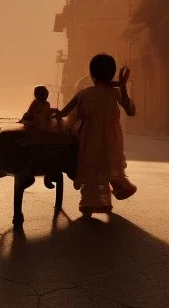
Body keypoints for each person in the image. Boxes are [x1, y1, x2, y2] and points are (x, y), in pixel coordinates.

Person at [55, 53, 137, 217]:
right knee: (109, 168)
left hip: (88, 141)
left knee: (91, 170)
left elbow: (63, 113)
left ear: (91, 74)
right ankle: (110, 196)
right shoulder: (115, 93)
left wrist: (45, 114)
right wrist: (121, 86)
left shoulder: (83, 94)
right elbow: (130, 111)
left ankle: (89, 204)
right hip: (112, 141)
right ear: (111, 73)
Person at [19, 85, 61, 189]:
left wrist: (53, 111)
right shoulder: (35, 104)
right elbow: (33, 115)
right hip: (34, 128)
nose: (44, 96)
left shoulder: (46, 104)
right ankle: (30, 175)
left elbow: (45, 115)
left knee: (53, 147)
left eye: (45, 94)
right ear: (36, 95)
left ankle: (48, 175)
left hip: (43, 128)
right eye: (42, 94)